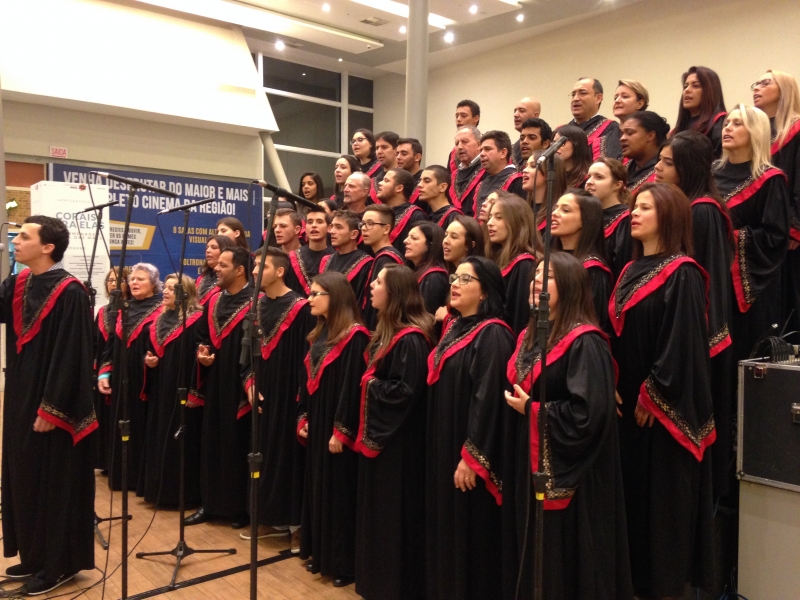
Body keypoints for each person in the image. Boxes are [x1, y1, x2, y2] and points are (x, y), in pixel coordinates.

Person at [503, 253, 632, 600]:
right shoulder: (532, 334)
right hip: (530, 457)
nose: (535, 284)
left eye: (547, 278)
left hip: (574, 473)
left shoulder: (585, 341)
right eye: (534, 277)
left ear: (570, 286)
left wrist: (532, 408)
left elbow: (589, 414)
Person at [610, 183, 716, 598]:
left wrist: (653, 395)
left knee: (662, 506)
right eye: (634, 206)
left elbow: (683, 340)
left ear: (668, 216)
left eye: (645, 207)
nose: (634, 213)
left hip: (660, 410)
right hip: (628, 407)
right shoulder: (629, 269)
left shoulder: (683, 271)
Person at [0, 216, 97, 594]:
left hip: (52, 402)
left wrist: (51, 408)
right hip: (22, 393)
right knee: (25, 477)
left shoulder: (70, 291)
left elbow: (72, 354)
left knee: (54, 482)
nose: (16, 241)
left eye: (23, 236)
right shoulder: (21, 281)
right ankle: (35, 554)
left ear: (47, 247)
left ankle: (58, 564)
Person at [426, 256, 515, 600]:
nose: (455, 284)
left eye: (466, 279)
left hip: (469, 452)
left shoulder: (492, 333)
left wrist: (472, 456)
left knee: (470, 530)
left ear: (485, 292)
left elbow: (488, 398)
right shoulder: (455, 326)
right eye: (454, 277)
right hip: (444, 440)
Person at [655, 131, 735, 499]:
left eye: (668, 162)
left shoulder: (702, 210)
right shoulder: (682, 206)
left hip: (699, 339)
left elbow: (708, 282)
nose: (657, 167)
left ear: (686, 168)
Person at [355, 264, 433, 600]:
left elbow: (405, 392)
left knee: (394, 514)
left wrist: (368, 383)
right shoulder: (388, 330)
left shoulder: (411, 339)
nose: (371, 286)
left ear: (396, 292)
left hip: (399, 444)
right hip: (386, 441)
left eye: (379, 282)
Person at [298, 272, 370, 588]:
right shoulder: (320, 332)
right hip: (318, 421)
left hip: (337, 427)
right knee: (318, 487)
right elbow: (307, 381)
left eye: (316, 294)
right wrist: (304, 417)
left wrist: (341, 431)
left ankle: (344, 563)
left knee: (339, 492)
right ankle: (323, 555)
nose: (310, 299)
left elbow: (353, 389)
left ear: (335, 297)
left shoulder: (354, 337)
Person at [245, 247, 315, 553]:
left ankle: (298, 523)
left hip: (291, 391)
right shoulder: (256, 306)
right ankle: (273, 519)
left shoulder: (301, 308)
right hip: (263, 394)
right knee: (266, 454)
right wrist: (249, 382)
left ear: (280, 271)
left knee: (292, 457)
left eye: (261, 266)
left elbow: (308, 356)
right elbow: (246, 354)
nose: (255, 270)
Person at [713, 104, 790, 361]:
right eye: (727, 124)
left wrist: (727, 239)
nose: (728, 128)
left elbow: (775, 237)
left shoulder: (770, 179)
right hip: (708, 275)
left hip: (747, 287)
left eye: (737, 124)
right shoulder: (709, 174)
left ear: (755, 131)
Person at [184, 247, 253, 528]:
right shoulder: (213, 301)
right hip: (214, 383)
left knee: (236, 446)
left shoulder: (256, 301)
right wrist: (203, 353)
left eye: (223, 265)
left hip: (239, 385)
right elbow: (203, 337)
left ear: (239, 270)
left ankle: (237, 509)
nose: (216, 269)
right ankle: (209, 504)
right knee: (210, 443)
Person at [98, 263, 162, 492]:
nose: (134, 283)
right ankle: (123, 477)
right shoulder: (122, 310)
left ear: (154, 284)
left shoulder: (162, 309)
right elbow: (110, 347)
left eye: (141, 279)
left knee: (142, 428)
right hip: (122, 380)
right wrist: (105, 373)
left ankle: (141, 480)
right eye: (132, 279)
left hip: (147, 381)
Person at [142, 273, 204, 507]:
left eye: (172, 288)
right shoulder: (158, 320)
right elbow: (151, 352)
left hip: (183, 389)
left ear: (185, 292)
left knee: (183, 441)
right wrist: (150, 362)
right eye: (165, 287)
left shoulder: (197, 319)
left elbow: (200, 356)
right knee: (161, 438)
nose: (165, 292)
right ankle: (160, 493)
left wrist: (194, 392)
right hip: (161, 389)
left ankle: (183, 496)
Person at [753, 70, 800, 332]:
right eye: (755, 83)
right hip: (764, 229)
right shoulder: (759, 134)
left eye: (765, 83)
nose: (756, 88)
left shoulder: (796, 129)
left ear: (784, 90)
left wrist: (795, 226)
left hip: (789, 235)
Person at [551, 189, 613, 333]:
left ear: (585, 220)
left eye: (565, 210)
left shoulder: (592, 269)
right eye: (556, 208)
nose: (554, 213)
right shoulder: (550, 261)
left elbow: (592, 323)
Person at [486, 192, 540, 334]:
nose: (490, 222)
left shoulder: (525, 265)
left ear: (517, 222)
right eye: (490, 217)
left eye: (498, 217)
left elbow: (519, 317)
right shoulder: (497, 259)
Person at [93, 266, 126, 472]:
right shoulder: (103, 312)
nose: (113, 283)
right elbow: (95, 342)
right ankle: (105, 460)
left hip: (121, 370)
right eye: (110, 280)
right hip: (101, 371)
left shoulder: (130, 310)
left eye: (118, 280)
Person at [585, 157, 633, 279]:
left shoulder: (625, 219)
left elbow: (622, 265)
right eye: (589, 176)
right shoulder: (587, 215)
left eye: (599, 177)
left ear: (617, 185)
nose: (589, 182)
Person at [360, 204, 405, 330]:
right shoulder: (382, 256)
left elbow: (380, 302)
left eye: (370, 223)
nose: (364, 228)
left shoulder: (386, 258)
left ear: (386, 229)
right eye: (362, 224)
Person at [321, 210, 374, 309]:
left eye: (338, 227)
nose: (332, 231)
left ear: (353, 234)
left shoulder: (366, 263)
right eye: (332, 226)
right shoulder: (327, 260)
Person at [672, 66, 727, 159]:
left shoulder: (720, 123)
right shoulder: (678, 129)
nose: (687, 90)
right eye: (685, 86)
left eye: (695, 85)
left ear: (710, 91)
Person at [473, 130, 525, 219]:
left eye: (487, 149)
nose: (481, 154)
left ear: (503, 153)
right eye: (481, 150)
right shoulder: (481, 185)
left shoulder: (517, 181)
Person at [567, 77, 622, 160]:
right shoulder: (561, 131)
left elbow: (609, 166)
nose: (575, 98)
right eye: (573, 94)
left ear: (598, 98)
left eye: (582, 93)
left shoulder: (611, 128)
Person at [284, 204, 334, 296]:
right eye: (310, 222)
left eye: (319, 222)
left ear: (329, 228)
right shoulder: (292, 258)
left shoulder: (335, 258)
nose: (314, 225)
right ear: (305, 227)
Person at [376, 168, 428, 254]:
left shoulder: (416, 216)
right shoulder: (379, 213)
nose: (380, 183)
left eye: (386, 181)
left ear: (399, 188)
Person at [405, 221, 449, 316]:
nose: (405, 241)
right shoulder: (415, 270)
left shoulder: (434, 277)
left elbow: (425, 316)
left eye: (414, 238)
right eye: (408, 236)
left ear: (429, 246)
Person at [621, 110, 671, 194]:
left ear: (650, 136)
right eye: (622, 133)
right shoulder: (622, 167)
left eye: (629, 133)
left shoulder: (663, 173)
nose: (622, 138)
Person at [523, 150, 568, 232]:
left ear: (548, 174)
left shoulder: (557, 215)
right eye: (526, 166)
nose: (524, 170)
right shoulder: (523, 211)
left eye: (533, 166)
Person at [451, 126, 485, 216]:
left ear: (479, 145)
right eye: (457, 143)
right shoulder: (453, 176)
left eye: (464, 142)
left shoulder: (487, 171)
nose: (460, 147)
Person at [418, 164, 462, 229]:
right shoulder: (427, 214)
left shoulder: (453, 216)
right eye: (420, 180)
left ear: (442, 187)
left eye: (427, 181)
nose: (419, 185)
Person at [197, 235, 235, 305]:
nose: (208, 251)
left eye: (214, 247)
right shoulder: (201, 278)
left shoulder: (230, 281)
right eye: (207, 248)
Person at [449, 100, 482, 172]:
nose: (458, 119)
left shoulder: (486, 145)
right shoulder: (453, 152)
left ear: (476, 118)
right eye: (457, 116)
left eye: (463, 116)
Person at [511, 97, 542, 168]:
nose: (515, 115)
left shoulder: (547, 147)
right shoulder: (511, 149)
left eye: (521, 111)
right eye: (515, 111)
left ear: (535, 115)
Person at [372, 131, 400, 201]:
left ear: (396, 150)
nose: (379, 151)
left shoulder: (407, 179)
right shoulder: (372, 183)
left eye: (384, 147)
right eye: (377, 148)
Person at [397, 138, 425, 204]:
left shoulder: (424, 181)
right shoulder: (396, 180)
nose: (398, 157)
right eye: (397, 153)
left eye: (404, 154)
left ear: (417, 157)